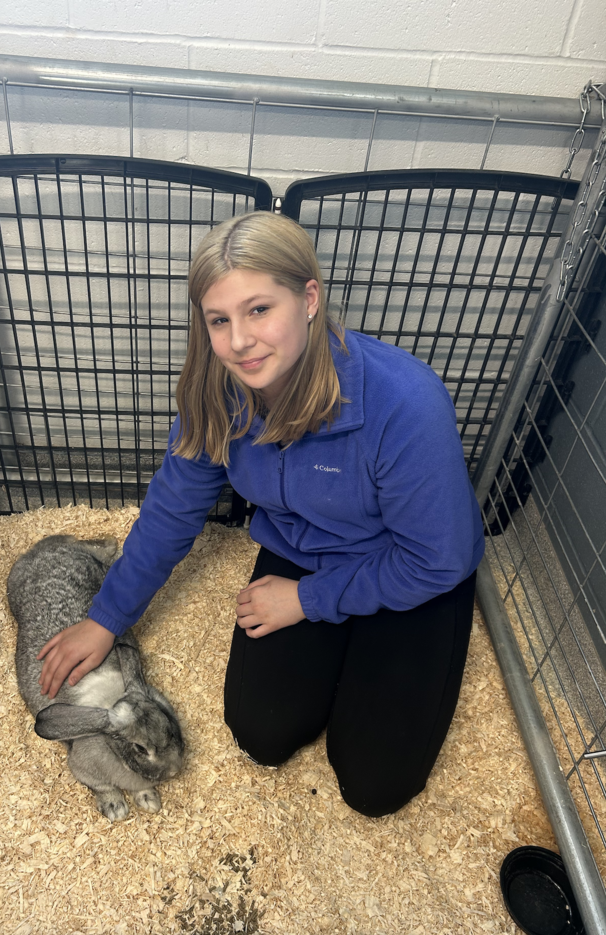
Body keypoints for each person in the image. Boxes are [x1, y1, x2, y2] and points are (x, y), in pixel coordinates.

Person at [37, 211, 485, 817]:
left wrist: (308, 601)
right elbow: (172, 510)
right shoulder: (217, 392)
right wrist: (106, 616)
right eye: (219, 320)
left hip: (407, 567)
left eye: (258, 310)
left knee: (374, 787)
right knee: (263, 734)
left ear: (308, 299)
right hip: (301, 552)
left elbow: (441, 557)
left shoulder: (406, 404)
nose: (239, 341)